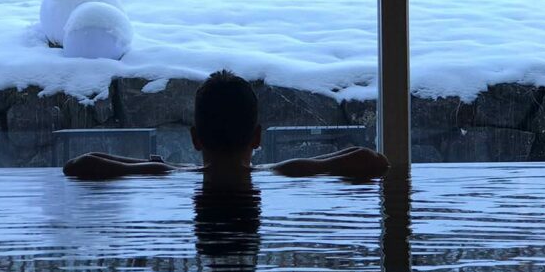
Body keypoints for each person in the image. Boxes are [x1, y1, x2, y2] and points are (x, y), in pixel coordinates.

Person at [62, 70, 389, 182]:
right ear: (258, 137)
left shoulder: (168, 174)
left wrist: (149, 168)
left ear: (195, 139)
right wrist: (309, 165)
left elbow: (78, 165)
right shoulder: (284, 172)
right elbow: (373, 160)